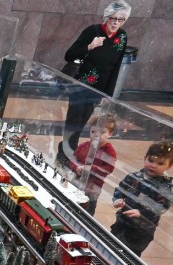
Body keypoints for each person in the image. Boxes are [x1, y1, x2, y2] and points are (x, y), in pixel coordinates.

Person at [58, 2, 130, 163]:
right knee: (73, 122)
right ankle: (64, 155)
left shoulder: (122, 37)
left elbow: (116, 67)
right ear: (106, 17)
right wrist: (90, 46)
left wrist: (108, 95)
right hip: (80, 86)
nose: (116, 23)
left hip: (98, 90)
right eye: (113, 18)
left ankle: (67, 154)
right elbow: (69, 55)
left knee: (82, 122)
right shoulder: (93, 31)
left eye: (121, 20)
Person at [110, 141, 173, 257]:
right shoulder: (135, 176)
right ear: (145, 158)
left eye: (160, 163)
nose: (153, 165)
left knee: (130, 255)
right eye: (150, 160)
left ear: (169, 165)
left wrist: (142, 213)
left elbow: (162, 207)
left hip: (142, 228)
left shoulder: (165, 187)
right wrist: (118, 198)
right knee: (112, 244)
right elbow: (122, 188)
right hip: (123, 220)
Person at [66, 113, 118, 215]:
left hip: (93, 188)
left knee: (89, 207)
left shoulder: (109, 151)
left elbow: (108, 168)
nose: (96, 135)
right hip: (77, 181)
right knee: (71, 201)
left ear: (110, 134)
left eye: (102, 132)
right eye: (93, 131)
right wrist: (76, 168)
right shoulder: (84, 146)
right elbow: (73, 160)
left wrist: (91, 168)